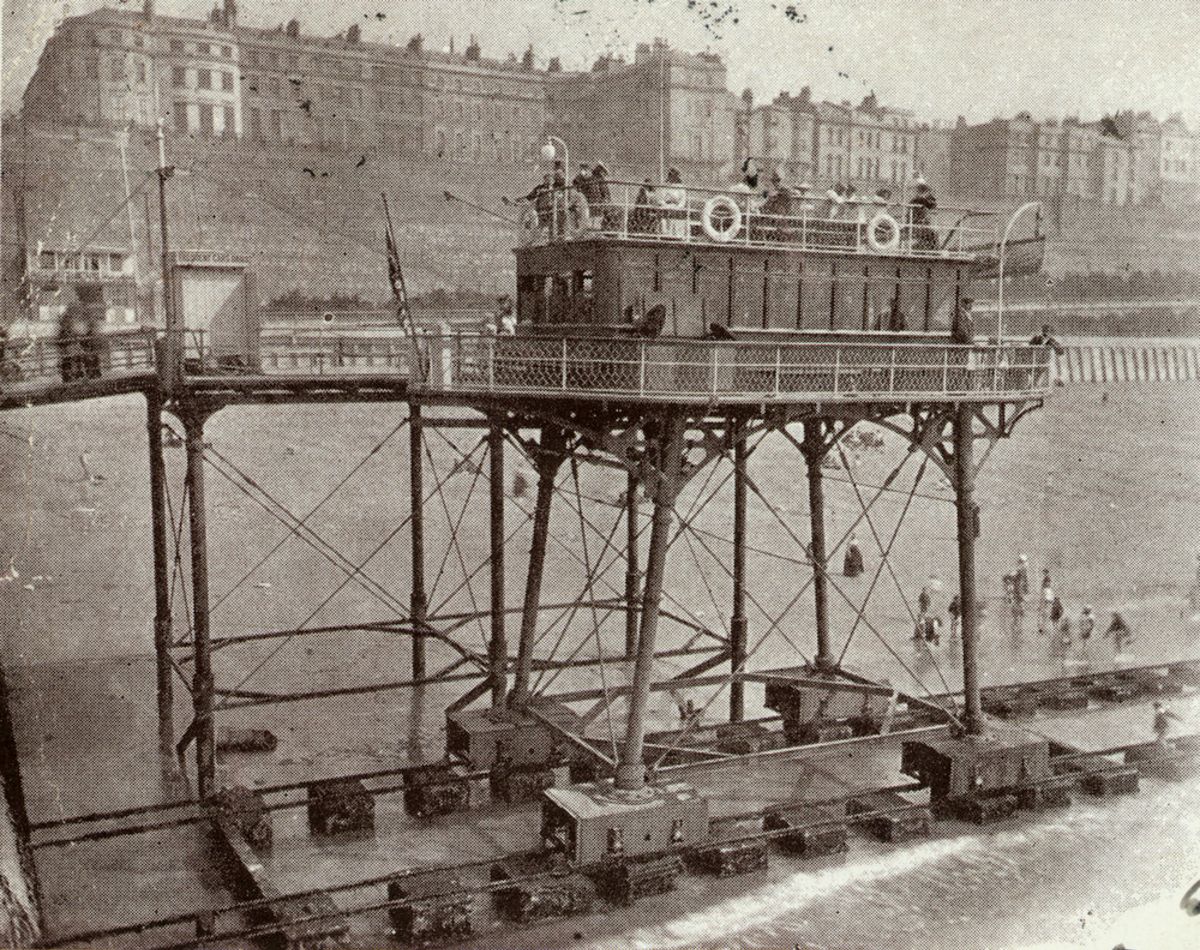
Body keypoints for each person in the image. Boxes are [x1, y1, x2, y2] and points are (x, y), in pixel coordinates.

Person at [659, 167, 688, 239]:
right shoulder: (665, 186)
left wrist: (679, 206)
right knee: (664, 212)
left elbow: (683, 200)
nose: (672, 177)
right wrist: (664, 204)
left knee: (679, 214)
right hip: (666, 205)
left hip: (677, 206)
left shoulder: (680, 187)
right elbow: (660, 198)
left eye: (674, 175)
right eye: (671, 175)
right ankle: (665, 234)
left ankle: (677, 235)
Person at [910, 176, 938, 250]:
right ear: (923, 192)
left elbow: (932, 204)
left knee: (932, 234)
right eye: (927, 192)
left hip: (919, 224)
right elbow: (932, 205)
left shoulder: (917, 199)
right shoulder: (919, 199)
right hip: (917, 225)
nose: (928, 194)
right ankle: (934, 251)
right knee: (934, 235)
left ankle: (928, 249)